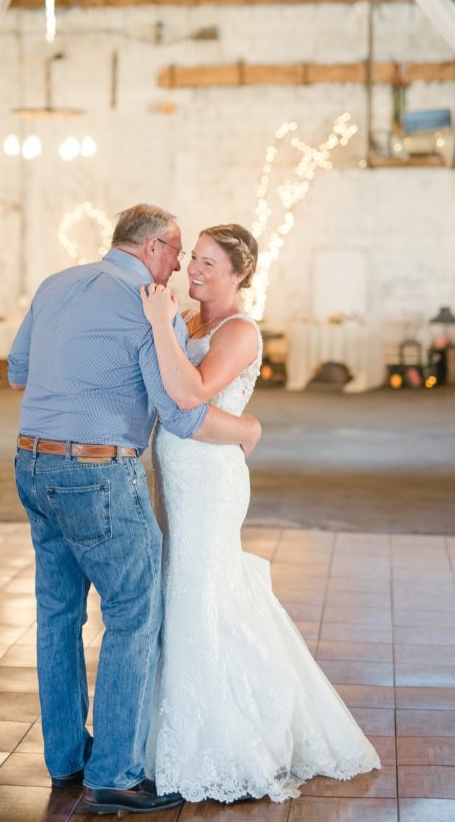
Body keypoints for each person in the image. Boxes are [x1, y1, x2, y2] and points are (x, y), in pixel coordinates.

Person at [8, 204, 261, 816]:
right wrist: (248, 428)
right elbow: (181, 413)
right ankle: (115, 775)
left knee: (56, 615)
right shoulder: (151, 306)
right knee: (132, 616)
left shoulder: (56, 283)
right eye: (177, 252)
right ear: (152, 248)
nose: (178, 266)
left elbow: (18, 372)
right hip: (98, 473)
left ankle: (66, 760)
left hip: (31, 463)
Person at [140, 223, 381, 804]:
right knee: (180, 587)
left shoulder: (239, 331)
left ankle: (220, 737)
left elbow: (191, 393)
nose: (194, 270)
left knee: (198, 591)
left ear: (239, 273)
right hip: (175, 472)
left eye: (209, 263)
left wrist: (158, 326)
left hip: (208, 478)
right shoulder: (191, 321)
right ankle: (163, 726)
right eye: (194, 258)